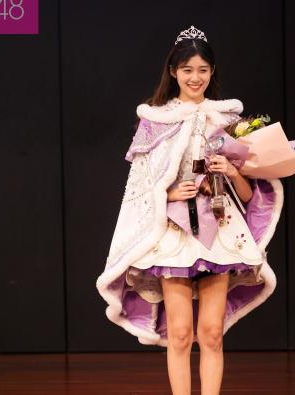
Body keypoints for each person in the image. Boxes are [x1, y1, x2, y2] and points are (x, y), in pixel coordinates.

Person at [96, 26, 283, 395]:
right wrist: (166, 194)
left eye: (202, 70)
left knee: (211, 333)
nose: (195, 78)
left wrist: (231, 171)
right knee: (180, 333)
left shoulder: (227, 120)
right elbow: (138, 188)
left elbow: (248, 195)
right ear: (173, 72)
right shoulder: (156, 121)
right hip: (174, 234)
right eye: (187, 70)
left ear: (212, 72)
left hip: (220, 230)